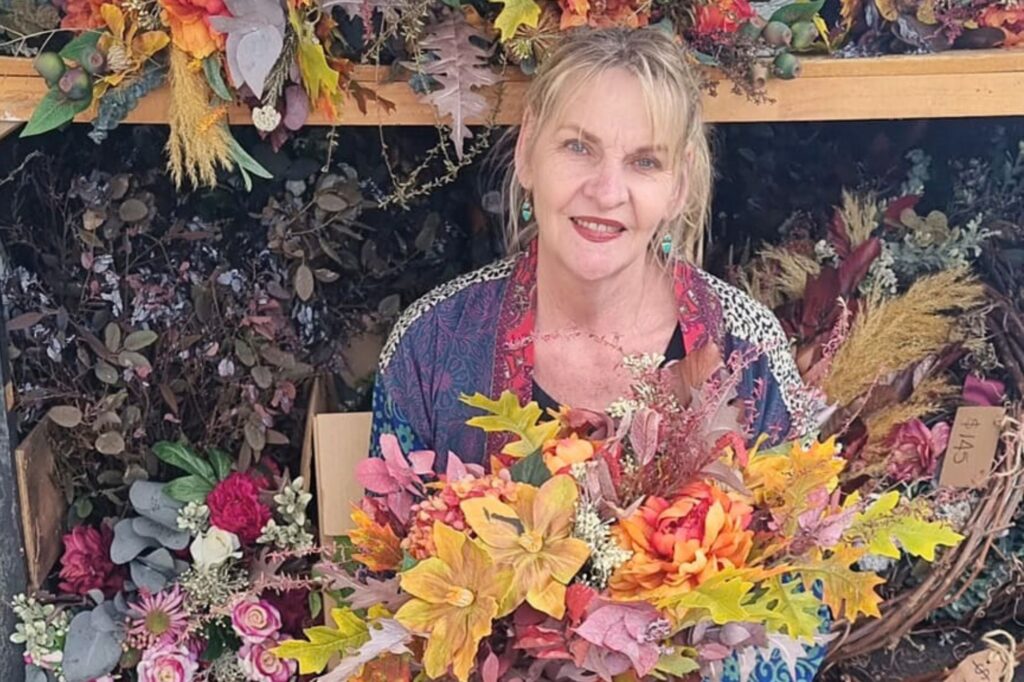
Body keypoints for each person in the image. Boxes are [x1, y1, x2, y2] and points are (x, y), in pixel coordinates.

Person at [370, 27, 824, 680]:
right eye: (578, 147)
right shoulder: (433, 346)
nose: (607, 191)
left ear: (679, 184)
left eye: (644, 161)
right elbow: (385, 592)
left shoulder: (745, 352)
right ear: (528, 153)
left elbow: (799, 612)